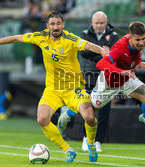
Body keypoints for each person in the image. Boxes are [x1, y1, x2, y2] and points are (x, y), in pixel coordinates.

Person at [0, 11, 108, 162]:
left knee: (89, 117)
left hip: (73, 88)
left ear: (63, 25)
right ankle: (67, 150)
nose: (56, 27)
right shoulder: (40, 37)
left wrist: (101, 50)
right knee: (42, 119)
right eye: (52, 24)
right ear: (47, 26)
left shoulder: (70, 38)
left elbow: (88, 45)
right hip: (53, 89)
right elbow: (16, 38)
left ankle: (90, 144)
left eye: (58, 23)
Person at [57, 11, 119, 152]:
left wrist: (102, 54)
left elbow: (114, 54)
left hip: (106, 78)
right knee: (87, 108)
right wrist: (102, 53)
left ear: (106, 22)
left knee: (104, 111)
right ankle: (86, 138)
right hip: (88, 77)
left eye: (101, 23)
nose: (99, 25)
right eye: (96, 23)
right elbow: (84, 52)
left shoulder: (114, 36)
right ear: (92, 23)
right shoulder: (85, 34)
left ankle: (98, 141)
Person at [91, 21, 145, 133]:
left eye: (143, 39)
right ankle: (68, 112)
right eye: (138, 40)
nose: (141, 42)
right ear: (130, 37)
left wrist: (139, 62)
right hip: (109, 82)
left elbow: (131, 56)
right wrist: (121, 72)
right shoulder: (120, 48)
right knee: (90, 111)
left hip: (127, 79)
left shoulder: (138, 42)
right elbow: (100, 64)